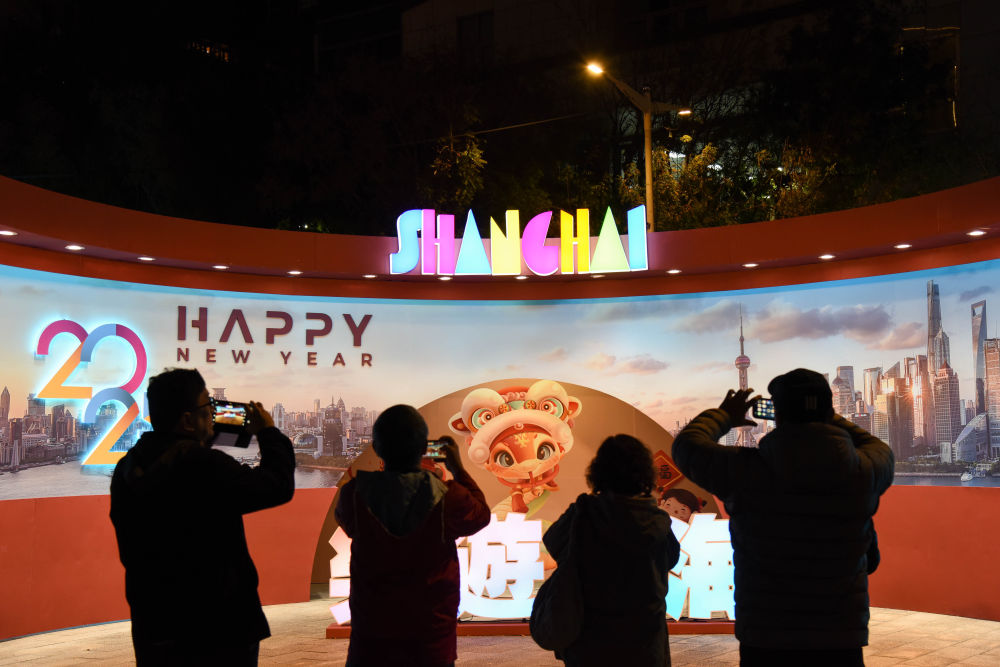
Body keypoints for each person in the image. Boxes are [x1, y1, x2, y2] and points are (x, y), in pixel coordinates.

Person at [671, 368, 894, 667]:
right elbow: (879, 448)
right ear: (828, 409)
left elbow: (687, 446)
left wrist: (723, 415)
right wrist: (826, 416)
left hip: (766, 633)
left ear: (778, 412)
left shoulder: (745, 471)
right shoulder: (863, 471)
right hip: (839, 634)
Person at [109, 369, 295, 666]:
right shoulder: (203, 466)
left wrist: (206, 435)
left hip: (155, 625)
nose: (215, 414)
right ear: (187, 420)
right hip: (219, 630)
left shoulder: (127, 468)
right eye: (208, 407)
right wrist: (268, 432)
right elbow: (277, 485)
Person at [335, 404, 491, 667]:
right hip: (430, 640)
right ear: (423, 449)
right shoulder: (448, 496)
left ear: (376, 447)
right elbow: (481, 515)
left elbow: (348, 523)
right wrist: (458, 469)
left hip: (371, 641)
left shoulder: (354, 495)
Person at [542, 434, 681, 667]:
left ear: (597, 472)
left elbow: (553, 543)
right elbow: (671, 558)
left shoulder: (584, 512)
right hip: (644, 637)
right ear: (645, 473)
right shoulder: (656, 518)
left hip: (589, 634)